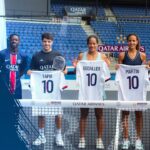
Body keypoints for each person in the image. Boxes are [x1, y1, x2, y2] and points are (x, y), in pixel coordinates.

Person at [27, 32, 67, 146]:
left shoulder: (57, 55)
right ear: (42, 42)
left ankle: (58, 136)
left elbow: (64, 71)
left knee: (57, 113)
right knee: (41, 114)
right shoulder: (36, 56)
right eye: (45, 41)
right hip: (41, 92)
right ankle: (41, 135)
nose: (46, 43)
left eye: (49, 41)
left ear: (52, 42)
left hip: (54, 91)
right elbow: (31, 71)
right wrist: (30, 72)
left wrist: (62, 73)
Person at [73, 35, 110, 149]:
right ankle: (82, 139)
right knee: (83, 115)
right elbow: (77, 72)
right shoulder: (81, 56)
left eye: (94, 43)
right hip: (85, 91)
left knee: (99, 115)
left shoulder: (103, 57)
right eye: (90, 43)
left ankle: (99, 139)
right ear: (87, 44)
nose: (92, 45)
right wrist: (75, 66)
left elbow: (107, 74)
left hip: (98, 92)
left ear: (97, 44)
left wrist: (107, 64)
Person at [117, 33, 146, 150]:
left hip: (138, 91)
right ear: (127, 42)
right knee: (125, 115)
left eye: (134, 41)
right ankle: (125, 139)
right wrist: (117, 68)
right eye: (129, 41)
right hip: (126, 91)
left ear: (137, 42)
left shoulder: (142, 56)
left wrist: (147, 68)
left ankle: (138, 140)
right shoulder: (122, 55)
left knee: (139, 114)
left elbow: (144, 72)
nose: (132, 43)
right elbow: (119, 70)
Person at [0, 34, 28, 99]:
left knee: (16, 107)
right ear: (9, 40)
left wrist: (16, 75)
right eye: (12, 39)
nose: (14, 41)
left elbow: (23, 69)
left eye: (16, 40)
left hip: (17, 87)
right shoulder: (2, 54)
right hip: (4, 86)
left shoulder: (23, 55)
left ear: (19, 41)